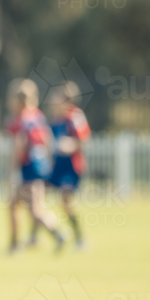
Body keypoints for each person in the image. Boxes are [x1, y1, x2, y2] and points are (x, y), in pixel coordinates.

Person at [5, 78, 64, 254]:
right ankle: (29, 241)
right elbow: (47, 140)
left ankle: (57, 234)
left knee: (33, 209)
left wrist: (12, 170)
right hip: (41, 165)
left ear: (17, 100)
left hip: (28, 167)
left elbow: (19, 146)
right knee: (18, 204)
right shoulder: (37, 116)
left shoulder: (20, 120)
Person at [47, 82, 92, 250]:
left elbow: (83, 142)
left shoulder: (75, 117)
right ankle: (37, 236)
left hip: (71, 167)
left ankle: (80, 239)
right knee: (35, 196)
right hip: (56, 166)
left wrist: (69, 145)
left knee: (66, 201)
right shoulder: (55, 119)